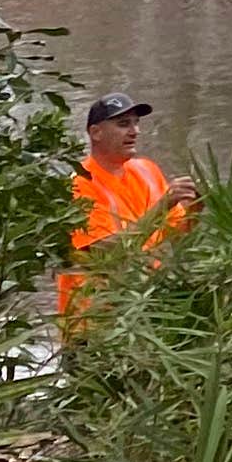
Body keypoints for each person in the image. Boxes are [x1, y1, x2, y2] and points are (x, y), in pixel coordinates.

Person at [57, 91, 197, 326]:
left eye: (136, 123)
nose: (134, 131)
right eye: (123, 124)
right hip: (95, 325)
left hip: (145, 313)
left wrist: (197, 208)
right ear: (95, 133)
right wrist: (162, 207)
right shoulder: (79, 184)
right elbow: (105, 254)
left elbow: (178, 234)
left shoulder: (147, 170)